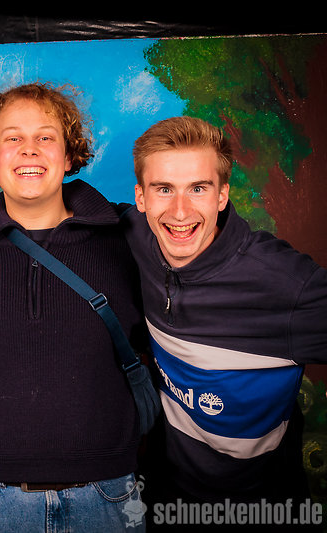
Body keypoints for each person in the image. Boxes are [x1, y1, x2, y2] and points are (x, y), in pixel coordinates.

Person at [0, 82, 147, 532]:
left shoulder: (128, 238)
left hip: (108, 494)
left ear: (69, 156)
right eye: (12, 137)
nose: (29, 149)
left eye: (45, 137)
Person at [121, 116, 327, 529]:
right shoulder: (133, 236)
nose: (180, 211)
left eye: (198, 188)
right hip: (162, 504)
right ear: (141, 198)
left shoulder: (288, 287)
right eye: (164, 189)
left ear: (222, 196)